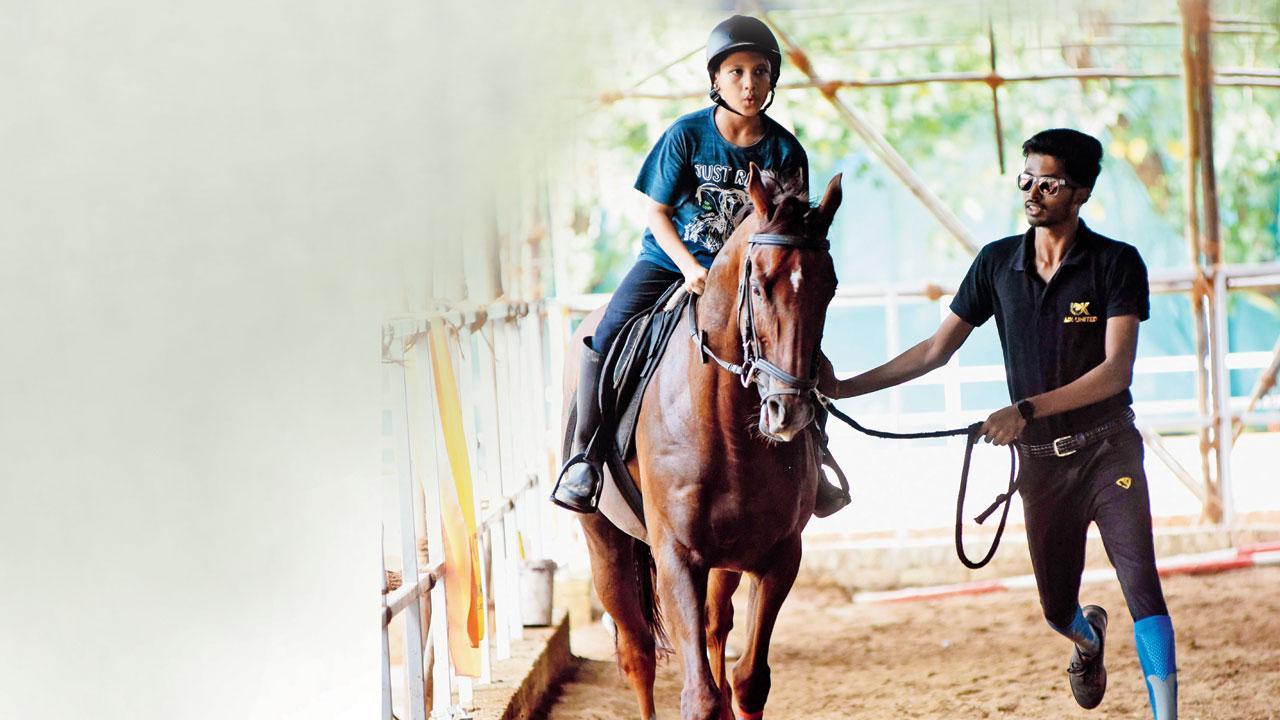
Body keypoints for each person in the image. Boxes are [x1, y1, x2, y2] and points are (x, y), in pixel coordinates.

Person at [819, 129, 1177, 718]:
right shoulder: (994, 264)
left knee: (1142, 582)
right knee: (1055, 606)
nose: (1033, 192)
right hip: (1039, 466)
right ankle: (1087, 639)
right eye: (1026, 179)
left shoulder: (1116, 263)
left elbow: (1116, 373)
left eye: (1050, 182)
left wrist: (1027, 409)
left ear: (1082, 191)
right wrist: (844, 387)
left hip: (1109, 450)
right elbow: (935, 350)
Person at [551, 15, 850, 518]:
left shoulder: (784, 150)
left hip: (753, 279)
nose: (749, 83)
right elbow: (657, 213)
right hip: (672, 264)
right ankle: (585, 455)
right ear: (716, 79)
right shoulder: (685, 136)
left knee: (804, 353)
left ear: (772, 78)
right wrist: (690, 267)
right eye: (736, 72)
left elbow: (791, 231)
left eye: (759, 71)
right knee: (603, 337)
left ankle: (814, 459)